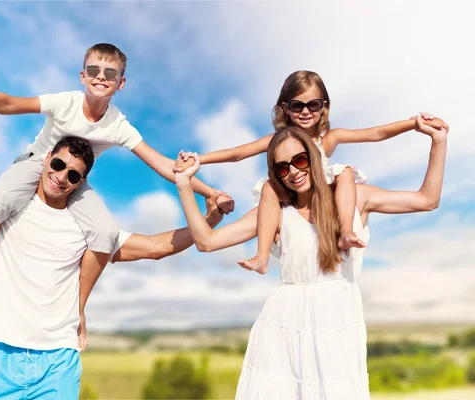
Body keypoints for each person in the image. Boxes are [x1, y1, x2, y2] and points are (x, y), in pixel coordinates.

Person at [0, 77, 223, 399]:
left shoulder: (89, 229)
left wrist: (210, 219)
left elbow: (156, 247)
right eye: (59, 165)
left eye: (72, 175)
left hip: (57, 364)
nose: (61, 177)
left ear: (81, 183)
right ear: (46, 159)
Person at [0, 43, 234, 321]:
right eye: (93, 70)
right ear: (82, 76)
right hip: (40, 161)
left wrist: (211, 192)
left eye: (110, 73)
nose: (101, 76)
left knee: (104, 232)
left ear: (120, 83)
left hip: (76, 178)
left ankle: (79, 311)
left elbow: (165, 166)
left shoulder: (118, 124)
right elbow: (7, 103)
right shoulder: (65, 103)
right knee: (0, 200)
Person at [174, 119, 448, 399]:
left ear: (313, 156)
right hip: (287, 327)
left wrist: (438, 142)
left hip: (339, 322)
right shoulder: (274, 212)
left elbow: (427, 200)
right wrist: (184, 184)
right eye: (282, 167)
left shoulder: (352, 198)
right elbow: (207, 243)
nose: (293, 171)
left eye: (300, 160)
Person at [175, 70, 447, 273]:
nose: (305, 111)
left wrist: (415, 124)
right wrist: (199, 161)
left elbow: (375, 134)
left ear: (323, 106)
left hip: (329, 188)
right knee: (270, 188)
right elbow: (237, 153)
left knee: (345, 175)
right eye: (297, 105)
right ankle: (261, 256)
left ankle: (345, 229)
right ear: (285, 108)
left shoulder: (331, 139)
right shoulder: (276, 152)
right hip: (289, 203)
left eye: (313, 105)